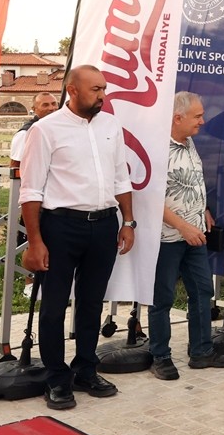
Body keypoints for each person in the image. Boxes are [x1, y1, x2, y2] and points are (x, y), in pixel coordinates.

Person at [19, 65, 136, 410]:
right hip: (60, 227)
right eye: (95, 89)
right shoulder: (45, 130)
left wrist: (128, 221)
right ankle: (56, 378)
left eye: (104, 89)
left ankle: (85, 368)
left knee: (91, 302)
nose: (102, 95)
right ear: (72, 90)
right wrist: (36, 241)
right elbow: (31, 191)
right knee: (54, 306)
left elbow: (121, 178)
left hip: (103, 225)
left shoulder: (111, 125)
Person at [148, 92, 224, 380]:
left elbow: (191, 184)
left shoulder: (190, 144)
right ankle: (160, 356)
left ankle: (201, 351)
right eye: (197, 116)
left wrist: (204, 211)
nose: (202, 120)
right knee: (162, 298)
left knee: (202, 291)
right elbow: (150, 198)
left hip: (196, 234)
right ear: (177, 118)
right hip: (167, 238)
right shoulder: (158, 149)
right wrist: (182, 227)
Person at [9, 90, 58, 298]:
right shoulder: (25, 133)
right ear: (34, 109)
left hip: (54, 199)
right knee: (29, 237)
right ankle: (29, 283)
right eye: (45, 105)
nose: (51, 108)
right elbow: (16, 166)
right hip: (33, 197)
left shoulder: (59, 129)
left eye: (54, 104)